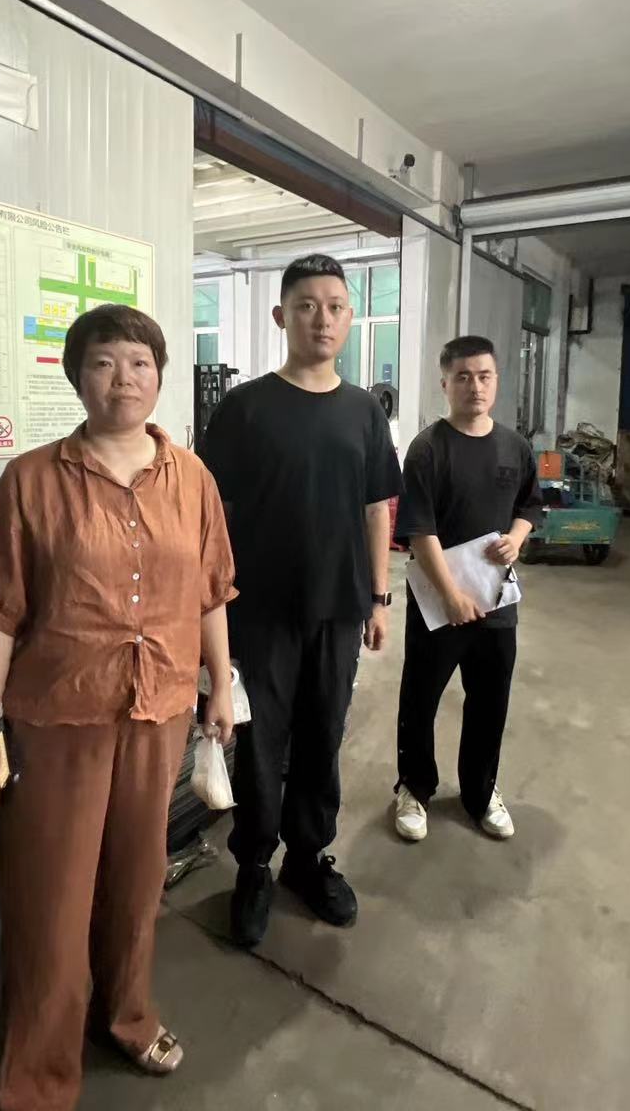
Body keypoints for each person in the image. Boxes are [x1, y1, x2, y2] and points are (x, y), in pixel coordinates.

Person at [0, 303, 237, 1111]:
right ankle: (38, 1077)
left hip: (159, 709)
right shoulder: (32, 480)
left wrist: (221, 684)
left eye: (140, 364)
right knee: (48, 899)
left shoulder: (192, 479)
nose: (124, 380)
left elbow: (211, 591)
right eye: (105, 363)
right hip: (58, 717)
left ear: (160, 376)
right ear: (77, 377)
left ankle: (127, 1015)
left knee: (135, 881)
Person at [197, 253, 402, 948]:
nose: (323, 319)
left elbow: (376, 510)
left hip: (339, 607)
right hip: (259, 610)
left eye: (336, 307)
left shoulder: (364, 411)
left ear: (349, 318)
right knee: (261, 742)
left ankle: (308, 859)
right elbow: (214, 516)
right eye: (307, 306)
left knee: (323, 735)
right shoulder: (245, 408)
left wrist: (378, 598)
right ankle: (254, 866)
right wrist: (211, 608)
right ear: (281, 316)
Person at [391, 335, 540, 843]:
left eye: (484, 376)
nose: (475, 386)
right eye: (463, 377)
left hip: (496, 603)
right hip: (438, 604)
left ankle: (480, 791)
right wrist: (451, 595)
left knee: (489, 702)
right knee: (421, 699)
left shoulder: (514, 447)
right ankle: (414, 787)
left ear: (496, 381)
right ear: (445, 384)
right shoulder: (428, 449)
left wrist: (517, 538)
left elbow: (530, 505)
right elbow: (419, 529)